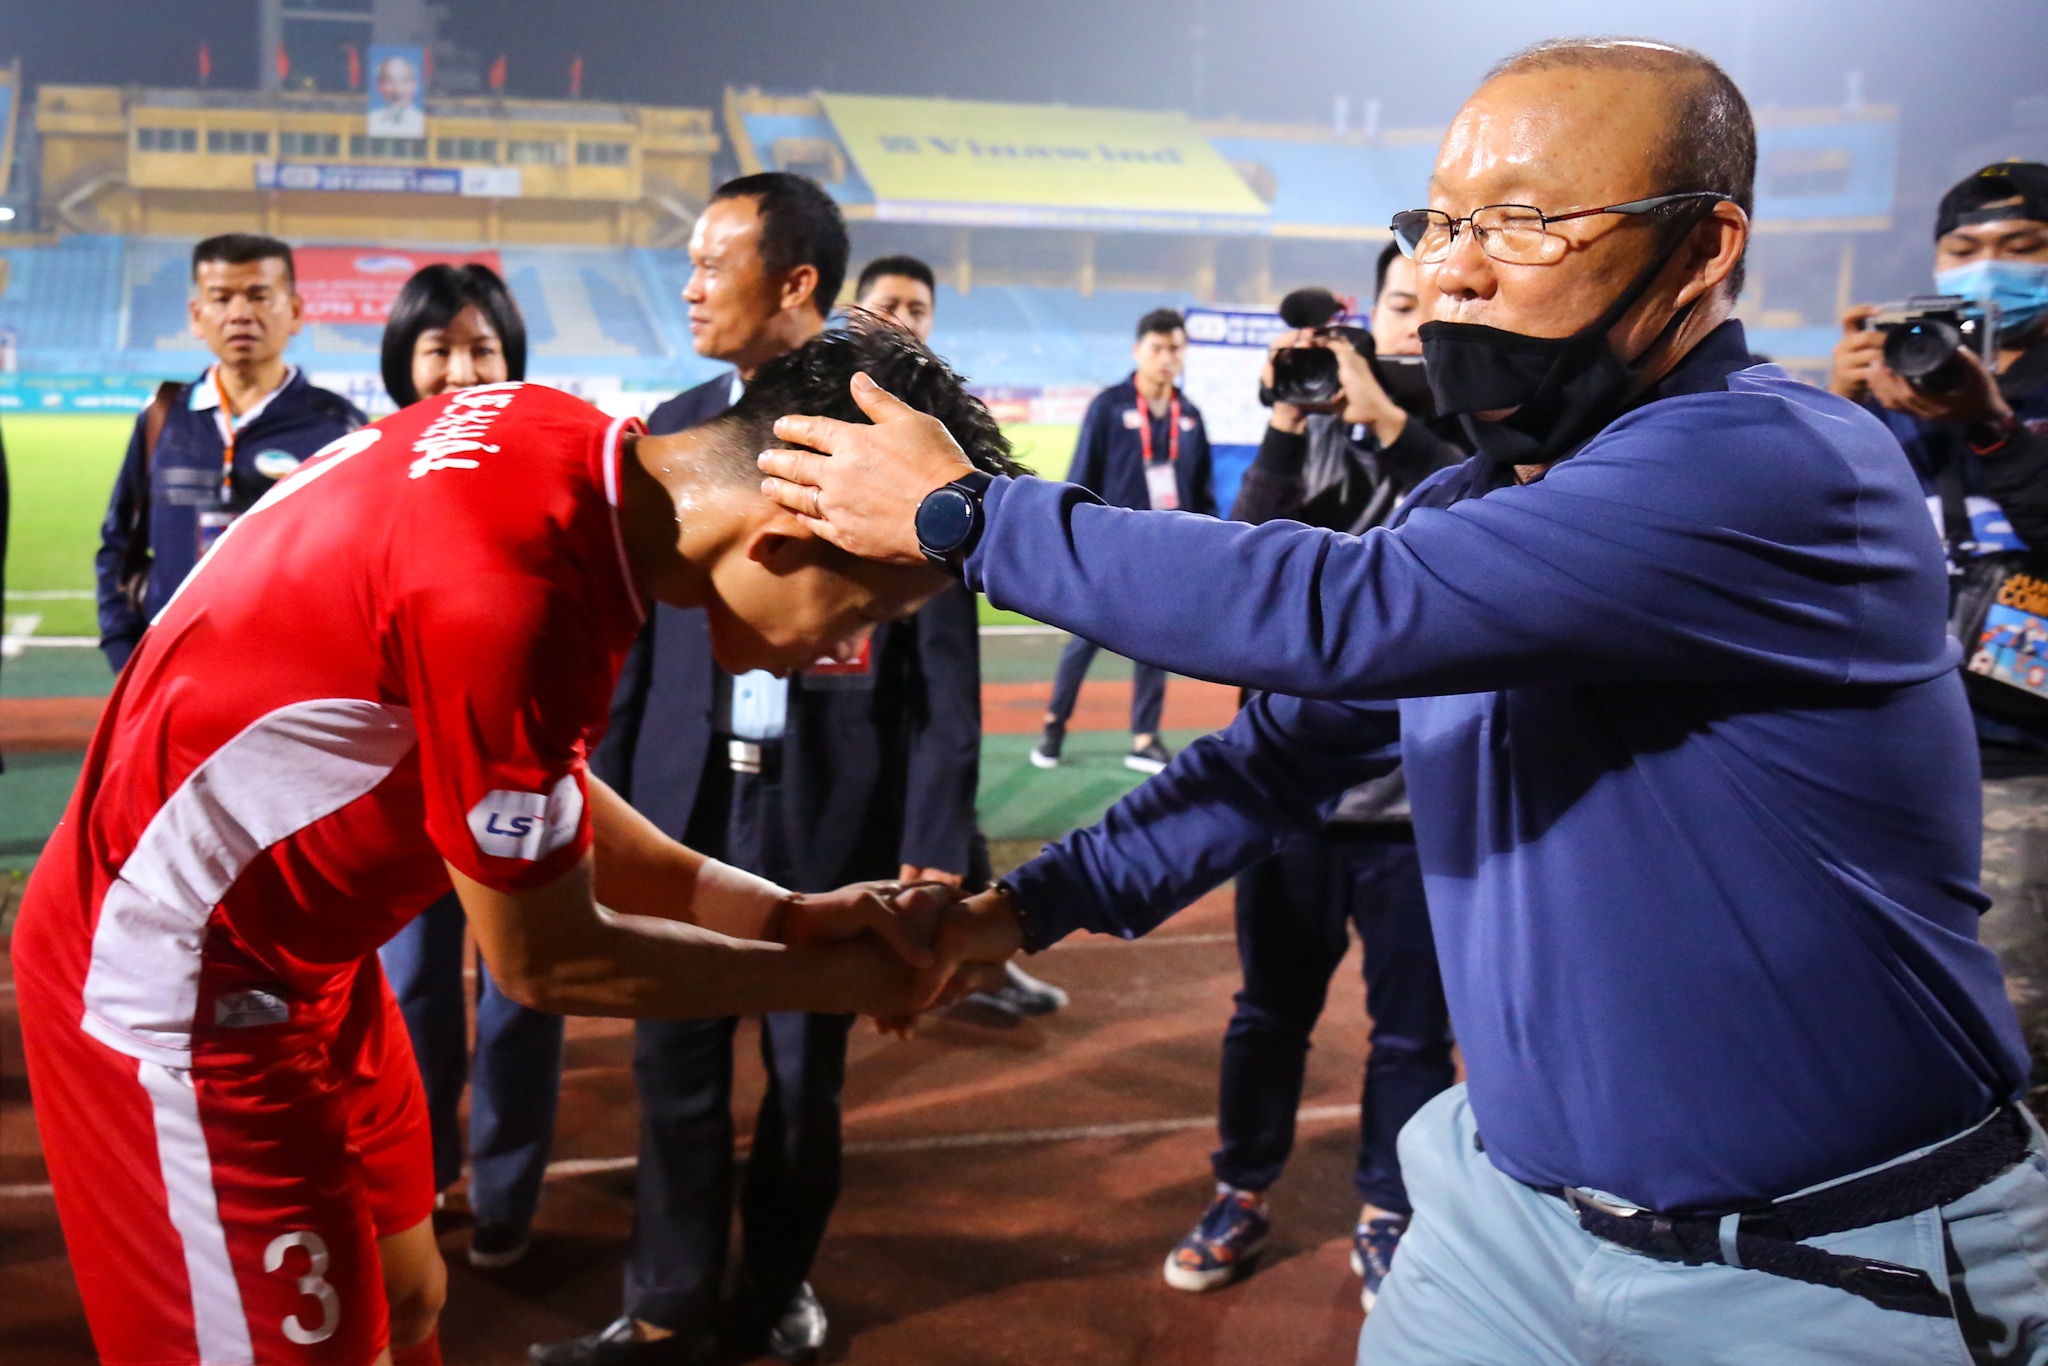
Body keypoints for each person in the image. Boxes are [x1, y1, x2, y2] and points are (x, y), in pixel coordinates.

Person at [759, 38, 2048, 1362]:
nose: (1453, 267)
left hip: (1827, 1257)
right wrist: (1015, 909)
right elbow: (1281, 761)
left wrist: (964, 516)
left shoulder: (1777, 461)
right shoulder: (1476, 503)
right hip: (1511, 1223)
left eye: (1525, 222)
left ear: (1707, 247)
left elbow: (1347, 612)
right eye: (1441, 221)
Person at [16, 317, 1014, 1366]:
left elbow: (540, 778)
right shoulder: (511, 592)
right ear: (778, 541)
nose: (845, 648)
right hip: (175, 989)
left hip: (298, 957)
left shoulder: (556, 448)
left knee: (406, 1302)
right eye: (864, 613)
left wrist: (786, 915)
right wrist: (847, 982)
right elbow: (544, 958)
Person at [532, 174, 920, 1366]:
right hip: (685, 785)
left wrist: (931, 835)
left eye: (714, 264)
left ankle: (777, 1286)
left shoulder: (894, 432)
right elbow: (643, 643)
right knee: (674, 1061)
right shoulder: (677, 421)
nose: (690, 285)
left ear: (795, 282)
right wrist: (615, 777)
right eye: (687, 263)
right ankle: (666, 1300)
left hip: (826, 797)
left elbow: (935, 665)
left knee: (806, 1082)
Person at [1166, 250, 1465, 1306]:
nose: (1415, 324)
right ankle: (1240, 1187)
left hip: (1419, 806)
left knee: (1413, 1033)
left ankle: (1389, 1204)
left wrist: (1386, 416)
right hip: (1292, 795)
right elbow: (1239, 562)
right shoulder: (1314, 423)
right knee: (1266, 1014)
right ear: (1361, 318)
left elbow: (1467, 530)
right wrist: (1293, 424)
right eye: (1395, 306)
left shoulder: (1478, 430)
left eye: (1433, 306)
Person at [1828, 160, 2048, 1089]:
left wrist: (1993, 427)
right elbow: (1805, 531)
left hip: (2023, 754)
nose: (1985, 267)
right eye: (1963, 249)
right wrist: (1833, 408)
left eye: (2021, 247)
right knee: (1873, 1017)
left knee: (2015, 1032)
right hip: (1888, 748)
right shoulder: (1895, 383)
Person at [366, 261, 562, 1271]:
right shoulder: (365, 471)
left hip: (525, 785)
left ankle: (505, 1190)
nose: (460, 368)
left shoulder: (551, 472)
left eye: (482, 347)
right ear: (403, 358)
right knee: (413, 996)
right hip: (403, 793)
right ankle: (423, 1170)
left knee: (526, 992)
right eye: (439, 346)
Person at [853, 253, 1070, 1022]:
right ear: (855, 311)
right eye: (888, 305)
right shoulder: (817, 417)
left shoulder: (948, 437)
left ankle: (961, 956)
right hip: (840, 690)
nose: (903, 320)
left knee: (941, 746)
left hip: (916, 646)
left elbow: (950, 675)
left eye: (917, 308)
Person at [95, 233, 363, 673]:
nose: (240, 314)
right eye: (221, 299)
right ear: (197, 316)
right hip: (170, 671)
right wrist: (123, 652)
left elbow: (361, 561)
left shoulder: (337, 424)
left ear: (295, 312)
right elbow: (120, 545)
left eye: (259, 296)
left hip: (290, 673)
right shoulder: (162, 416)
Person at [1030, 308, 1214, 776]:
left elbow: (1204, 489)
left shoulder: (1189, 415)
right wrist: (1072, 539)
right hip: (1109, 546)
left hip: (1168, 549)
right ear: (1138, 352)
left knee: (1155, 642)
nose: (1167, 358)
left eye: (1175, 348)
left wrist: (1206, 544)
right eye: (1157, 348)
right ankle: (1054, 726)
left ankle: (1145, 737)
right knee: (1084, 639)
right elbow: (1080, 476)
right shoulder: (1109, 406)